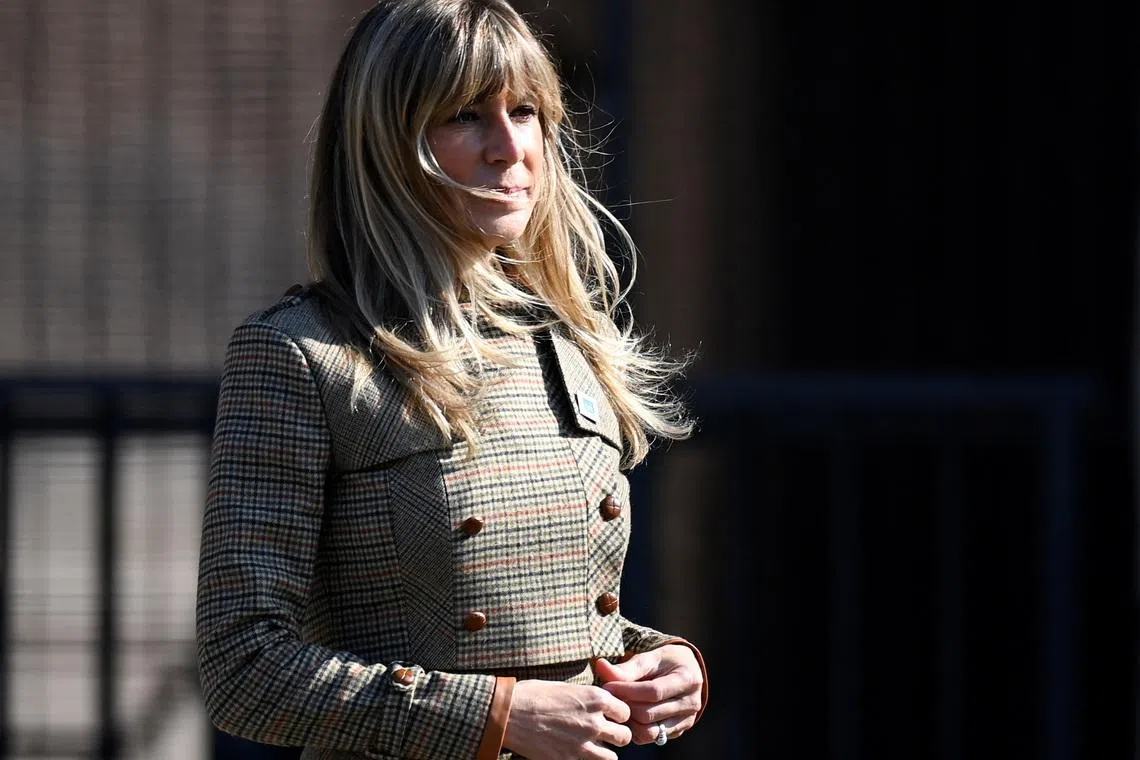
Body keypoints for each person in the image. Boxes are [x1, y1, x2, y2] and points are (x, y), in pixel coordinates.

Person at [194, 1, 708, 758]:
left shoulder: (563, 340)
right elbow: (242, 669)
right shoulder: (303, 353)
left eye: (525, 112)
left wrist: (655, 664)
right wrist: (493, 715)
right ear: (387, 144)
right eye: (466, 116)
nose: (509, 148)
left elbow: (539, 623)